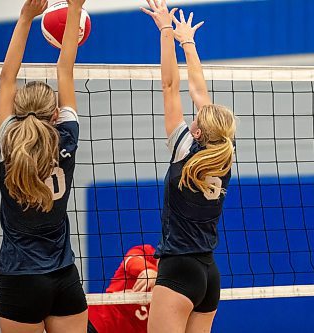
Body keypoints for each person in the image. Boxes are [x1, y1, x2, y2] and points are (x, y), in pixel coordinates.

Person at [141, 1, 237, 332]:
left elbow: (172, 87)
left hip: (179, 272)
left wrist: (166, 32)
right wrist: (188, 42)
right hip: (209, 275)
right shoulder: (225, 152)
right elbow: (200, 93)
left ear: (197, 130)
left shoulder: (185, 148)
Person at [0, 0, 88, 332]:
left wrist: (25, 17)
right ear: (55, 115)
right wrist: (75, 8)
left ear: (18, 113)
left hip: (20, 281)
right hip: (64, 279)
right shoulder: (68, 138)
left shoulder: (10, 142)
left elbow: (7, 78)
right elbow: (65, 69)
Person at [87, 244, 159, 333]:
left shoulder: (175, 288)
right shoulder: (147, 252)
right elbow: (131, 259)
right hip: (98, 323)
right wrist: (149, 271)